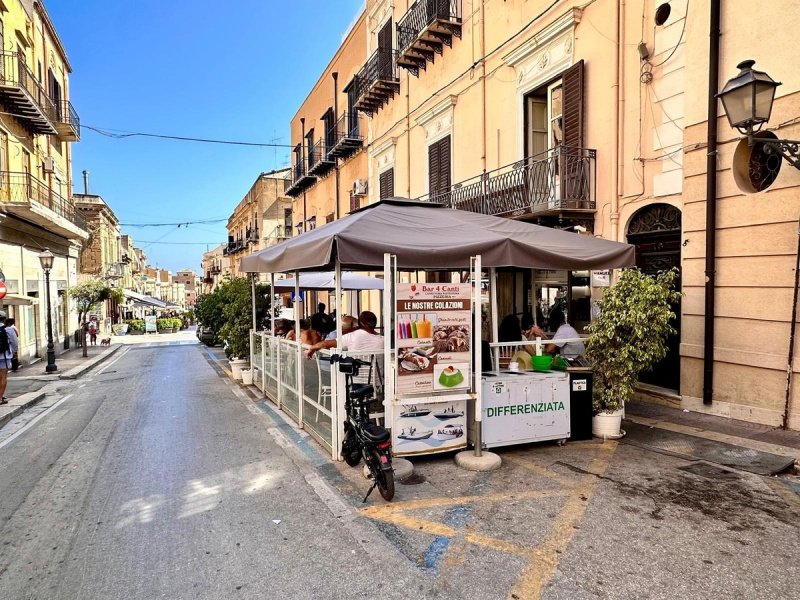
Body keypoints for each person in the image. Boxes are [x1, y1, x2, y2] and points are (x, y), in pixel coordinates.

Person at [0, 310, 19, 405]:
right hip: (4, 356)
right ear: (4, 319)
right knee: (3, 377)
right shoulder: (8, 330)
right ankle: (0, 398)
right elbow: (14, 342)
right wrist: (15, 352)